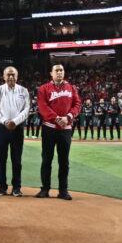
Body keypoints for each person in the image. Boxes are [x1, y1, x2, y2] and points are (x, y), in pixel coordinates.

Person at [36, 63, 81, 200]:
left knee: (64, 161)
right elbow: (42, 107)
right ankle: (45, 189)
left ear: (64, 72)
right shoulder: (44, 88)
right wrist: (56, 118)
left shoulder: (71, 88)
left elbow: (77, 104)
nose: (59, 72)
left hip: (65, 129)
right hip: (49, 128)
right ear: (51, 73)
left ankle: (63, 190)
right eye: (57, 70)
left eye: (61, 70)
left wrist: (68, 117)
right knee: (46, 160)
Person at [0, 66, 30, 196]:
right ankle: (2, 187)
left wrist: (15, 121)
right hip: (2, 127)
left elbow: (26, 109)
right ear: (4, 76)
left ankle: (16, 187)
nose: (11, 77)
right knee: (1, 159)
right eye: (8, 75)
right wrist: (6, 121)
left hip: (17, 128)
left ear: (17, 77)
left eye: (13, 74)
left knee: (16, 160)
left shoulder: (23, 91)